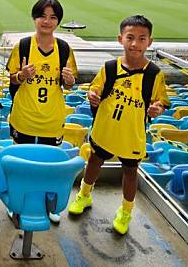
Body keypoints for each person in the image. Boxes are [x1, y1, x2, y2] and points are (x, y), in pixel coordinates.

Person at [67, 15, 168, 234]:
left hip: (132, 135)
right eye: (130, 37)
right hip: (106, 129)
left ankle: (125, 212)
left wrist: (156, 109)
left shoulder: (154, 74)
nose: (135, 44)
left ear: (149, 42)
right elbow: (95, 90)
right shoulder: (110, 67)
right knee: (94, 161)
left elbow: (161, 102)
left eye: (142, 38)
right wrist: (93, 96)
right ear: (120, 38)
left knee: (130, 172)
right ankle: (84, 195)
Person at [6, 0, 77, 223]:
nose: (47, 21)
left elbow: (68, 83)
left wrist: (69, 81)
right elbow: (12, 79)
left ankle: (49, 203)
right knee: (21, 162)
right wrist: (22, 75)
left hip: (51, 118)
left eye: (52, 17)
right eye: (42, 16)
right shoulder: (23, 46)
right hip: (24, 115)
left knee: (50, 163)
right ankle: (18, 202)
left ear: (58, 21)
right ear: (34, 18)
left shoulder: (64, 49)